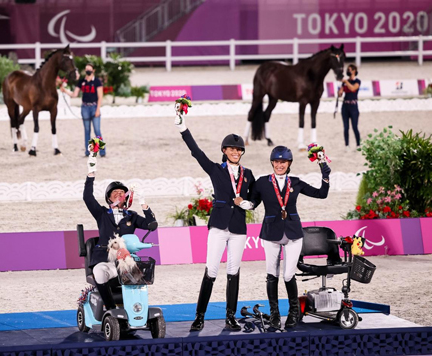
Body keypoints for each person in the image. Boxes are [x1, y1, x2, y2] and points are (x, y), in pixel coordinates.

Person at [174, 106, 256, 332]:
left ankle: (230, 317)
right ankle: (200, 316)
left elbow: (255, 197)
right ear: (224, 150)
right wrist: (183, 128)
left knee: (234, 271)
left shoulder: (248, 174)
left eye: (238, 149)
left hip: (239, 228)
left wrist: (248, 204)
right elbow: (196, 152)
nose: (235, 152)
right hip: (219, 227)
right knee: (211, 271)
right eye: (231, 149)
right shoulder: (215, 170)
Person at [249, 146, 331, 329]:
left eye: (283, 162)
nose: (279, 165)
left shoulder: (296, 182)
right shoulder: (262, 182)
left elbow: (321, 194)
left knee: (288, 275)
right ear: (272, 162)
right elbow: (253, 201)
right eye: (277, 162)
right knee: (272, 275)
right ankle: (275, 314)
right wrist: (247, 204)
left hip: (293, 233)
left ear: (289, 163)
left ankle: (294, 312)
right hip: (271, 233)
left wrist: (325, 173)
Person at [82, 144, 155, 311]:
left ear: (126, 198)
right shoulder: (101, 213)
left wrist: (143, 202)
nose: (118, 194)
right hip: (105, 260)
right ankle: (110, 308)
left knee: (141, 276)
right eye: (114, 193)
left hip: (126, 260)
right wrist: (91, 169)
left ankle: (138, 308)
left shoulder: (133, 216)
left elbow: (151, 225)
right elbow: (87, 197)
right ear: (108, 198)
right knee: (99, 272)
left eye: (121, 192)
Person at [60, 63, 105, 157]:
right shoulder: (81, 82)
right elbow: (74, 94)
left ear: (93, 70)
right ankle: (88, 151)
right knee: (87, 130)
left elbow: (100, 96)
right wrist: (65, 91)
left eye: (89, 69)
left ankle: (102, 151)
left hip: (94, 106)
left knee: (97, 130)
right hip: (85, 107)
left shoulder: (97, 82)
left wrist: (98, 109)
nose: (88, 71)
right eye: (86, 69)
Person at [338, 64, 361, 151]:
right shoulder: (345, 82)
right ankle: (347, 145)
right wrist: (339, 92)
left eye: (350, 69)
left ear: (354, 70)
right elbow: (340, 93)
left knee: (355, 126)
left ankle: (358, 144)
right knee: (346, 127)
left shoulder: (357, 81)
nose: (349, 71)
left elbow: (353, 89)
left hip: (353, 106)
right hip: (345, 105)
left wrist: (346, 82)